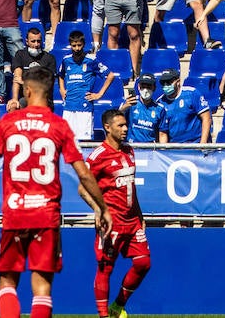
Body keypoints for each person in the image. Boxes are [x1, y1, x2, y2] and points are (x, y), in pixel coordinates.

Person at [0, 66, 111, 318]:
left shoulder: (8, 122)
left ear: (27, 90)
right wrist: (103, 208)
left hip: (15, 213)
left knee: (7, 282)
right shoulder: (59, 125)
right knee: (42, 287)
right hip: (46, 215)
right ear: (50, 91)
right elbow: (83, 172)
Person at [87, 109, 151, 318]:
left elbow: (131, 187)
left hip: (132, 221)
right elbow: (82, 188)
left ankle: (118, 305)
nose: (125, 129)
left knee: (143, 263)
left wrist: (140, 216)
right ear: (107, 127)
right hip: (111, 222)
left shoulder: (129, 151)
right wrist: (98, 209)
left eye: (126, 125)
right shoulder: (98, 156)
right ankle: (104, 315)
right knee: (106, 268)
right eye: (120, 126)